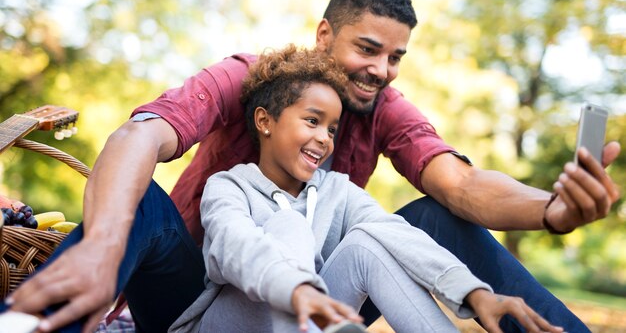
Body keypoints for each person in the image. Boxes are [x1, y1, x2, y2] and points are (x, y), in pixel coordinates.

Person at [6, 0, 621, 333]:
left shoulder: (382, 113)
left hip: (318, 296)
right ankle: (33, 320)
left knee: (436, 221)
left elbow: (458, 186)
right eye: (368, 48)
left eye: (396, 58)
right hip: (197, 288)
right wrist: (105, 246)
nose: (381, 71)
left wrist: (552, 210)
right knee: (136, 201)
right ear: (324, 34)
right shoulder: (248, 83)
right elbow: (139, 135)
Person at [171, 45, 563, 333]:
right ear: (265, 121)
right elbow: (238, 248)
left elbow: (398, 235)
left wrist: (475, 294)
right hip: (233, 322)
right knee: (288, 226)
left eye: (331, 129)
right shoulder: (227, 187)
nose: (324, 138)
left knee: (368, 242)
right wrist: (297, 289)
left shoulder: (337, 190)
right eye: (312, 121)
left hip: (316, 320)